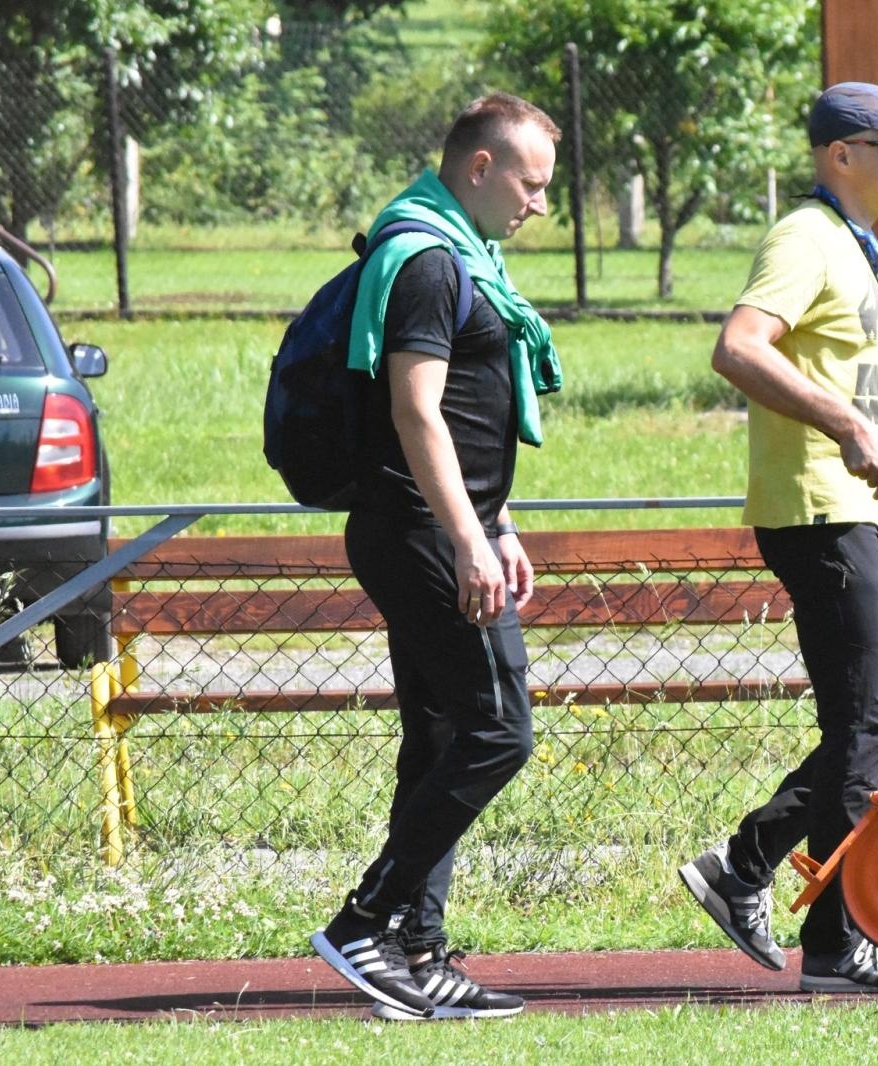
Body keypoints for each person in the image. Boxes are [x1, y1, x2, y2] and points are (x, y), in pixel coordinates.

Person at [678, 82, 878, 993]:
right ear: (842, 155)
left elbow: (872, 407)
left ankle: (774, 893)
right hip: (817, 512)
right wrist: (842, 427)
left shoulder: (855, 247)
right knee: (871, 726)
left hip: (859, 515)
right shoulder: (804, 237)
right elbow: (740, 347)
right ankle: (794, 907)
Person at [309, 92, 562, 1022]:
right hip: (419, 532)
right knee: (498, 730)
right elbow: (417, 411)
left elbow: (469, 415)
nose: (540, 204)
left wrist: (497, 522)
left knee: (447, 737)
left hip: (445, 528)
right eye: (530, 185)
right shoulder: (423, 259)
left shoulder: (468, 257)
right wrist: (467, 536)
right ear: (481, 169)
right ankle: (366, 921)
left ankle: (417, 949)